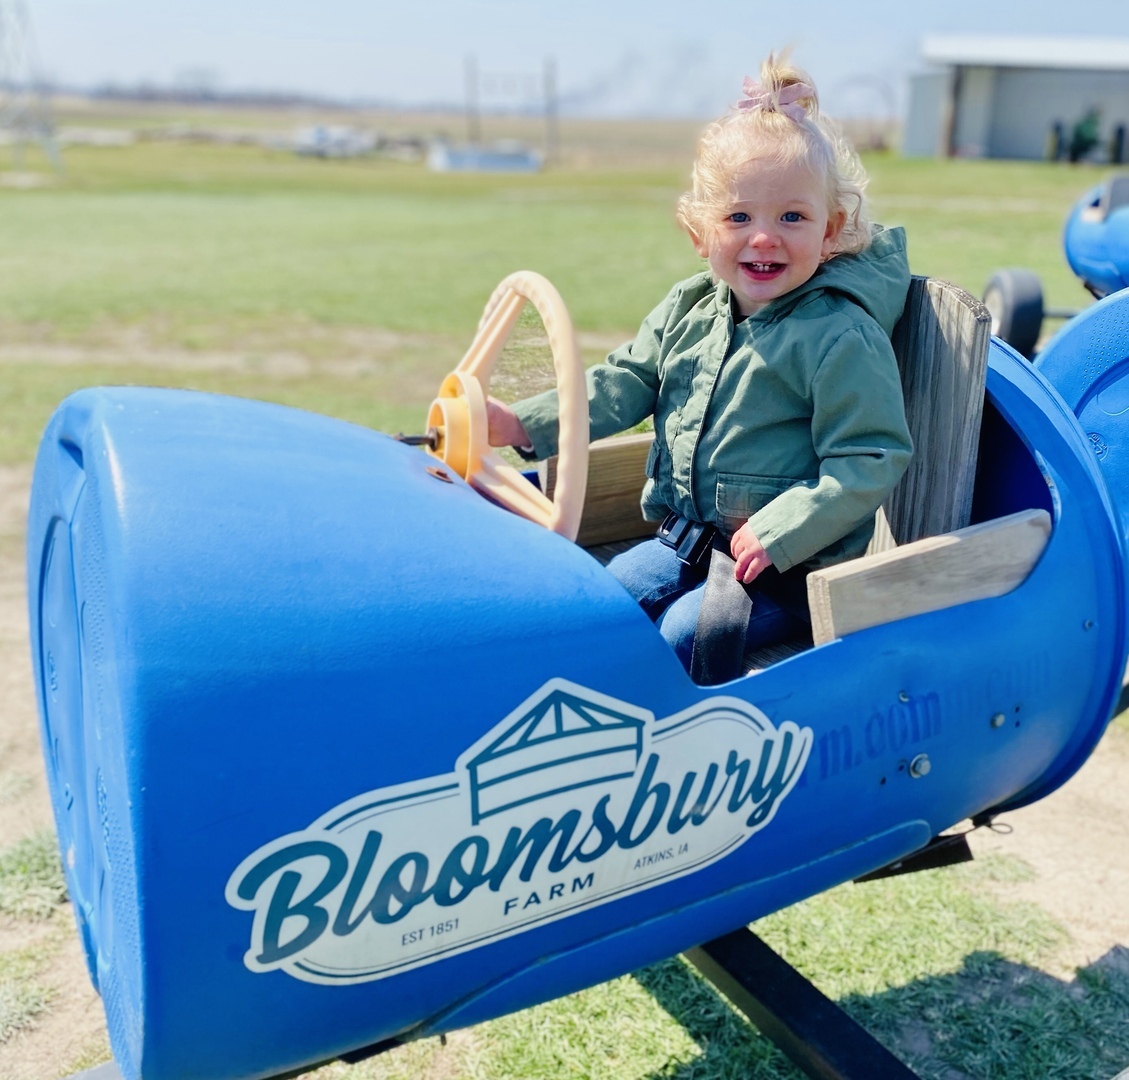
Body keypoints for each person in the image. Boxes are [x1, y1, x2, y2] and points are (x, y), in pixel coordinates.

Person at [488, 55, 913, 679]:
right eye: (739, 217)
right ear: (700, 232)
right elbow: (625, 381)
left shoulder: (840, 337)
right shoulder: (690, 307)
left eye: (791, 217)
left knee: (685, 635)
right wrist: (525, 424)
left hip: (785, 570)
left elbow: (871, 457)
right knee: (606, 608)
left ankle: (681, 753)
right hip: (685, 542)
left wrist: (783, 530)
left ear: (831, 230)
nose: (764, 237)